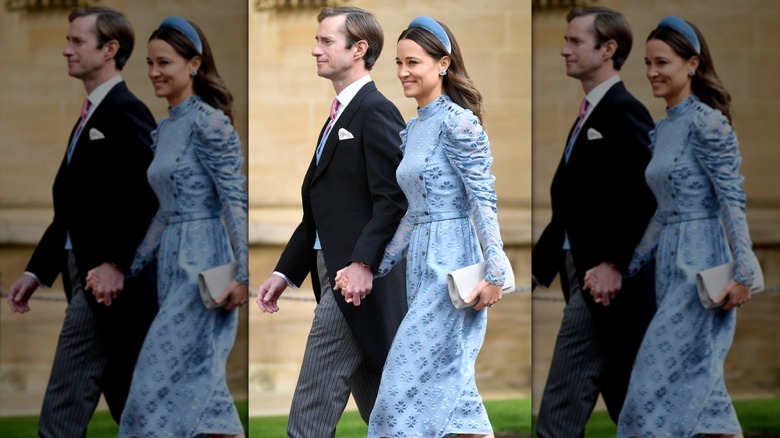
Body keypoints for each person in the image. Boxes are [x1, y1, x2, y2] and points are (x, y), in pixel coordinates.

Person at [335, 16, 510, 438]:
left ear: (444, 64)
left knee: (398, 400)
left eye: (413, 62)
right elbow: (413, 213)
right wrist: (374, 266)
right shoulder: (413, 129)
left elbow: (483, 200)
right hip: (419, 270)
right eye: (397, 63)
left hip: (452, 272)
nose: (402, 73)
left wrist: (497, 269)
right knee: (459, 406)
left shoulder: (459, 122)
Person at [88, 15, 248, 437]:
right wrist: (130, 265)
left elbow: (235, 202)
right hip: (169, 268)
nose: (155, 72)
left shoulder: (210, 123)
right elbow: (164, 211)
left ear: (194, 64)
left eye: (165, 63)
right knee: (203, 391)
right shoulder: (164, 130)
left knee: (150, 388)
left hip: (205, 269)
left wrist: (245, 275)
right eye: (149, 63)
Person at [600, 16, 757, 437]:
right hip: (668, 265)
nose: (652, 72)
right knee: (704, 395)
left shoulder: (708, 123)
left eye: (662, 62)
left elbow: (732, 202)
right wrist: (629, 265)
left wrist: (745, 273)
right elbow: (663, 211)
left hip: (703, 268)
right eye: (648, 63)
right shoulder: (664, 127)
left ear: (692, 64)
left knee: (649, 387)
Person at [5, 7, 159, 436]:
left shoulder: (125, 109)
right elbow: (72, 210)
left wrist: (113, 262)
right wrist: (37, 271)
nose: (65, 50)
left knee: (67, 394)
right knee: (130, 402)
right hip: (84, 274)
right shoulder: (90, 113)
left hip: (106, 279)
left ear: (110, 49)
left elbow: (148, 196)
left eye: (76, 41)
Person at [254, 6, 408, 437]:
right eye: (317, 41)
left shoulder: (375, 110)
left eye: (325, 41)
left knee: (315, 393)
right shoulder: (339, 113)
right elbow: (321, 211)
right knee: (387, 409)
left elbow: (393, 200)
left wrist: (361, 264)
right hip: (335, 272)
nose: (314, 50)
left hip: (356, 276)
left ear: (359, 49)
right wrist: (286, 271)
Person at [531, 7, 658, 436]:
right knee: (628, 402)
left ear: (608, 49)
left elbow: (645, 193)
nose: (564, 49)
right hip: (580, 271)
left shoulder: (624, 110)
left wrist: (613, 263)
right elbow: (571, 206)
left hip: (602, 278)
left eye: (575, 42)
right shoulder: (589, 113)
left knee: (563, 401)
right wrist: (535, 269)